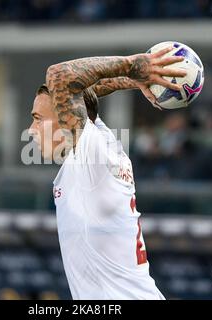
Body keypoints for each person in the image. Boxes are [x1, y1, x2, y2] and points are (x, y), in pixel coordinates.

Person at [28, 46, 186, 299]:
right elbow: (86, 92)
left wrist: (134, 65)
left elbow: (59, 75)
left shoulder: (93, 153)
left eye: (38, 118)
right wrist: (136, 80)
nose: (31, 129)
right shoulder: (98, 139)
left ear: (66, 117)